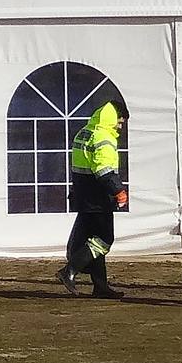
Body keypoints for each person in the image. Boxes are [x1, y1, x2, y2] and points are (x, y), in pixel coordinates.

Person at [61, 99, 127, 298]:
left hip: (84, 195)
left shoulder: (84, 132)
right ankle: (69, 271)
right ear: (112, 118)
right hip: (99, 197)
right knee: (104, 239)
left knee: (92, 243)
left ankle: (100, 286)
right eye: (120, 121)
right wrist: (119, 191)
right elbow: (104, 170)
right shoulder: (104, 138)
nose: (121, 126)